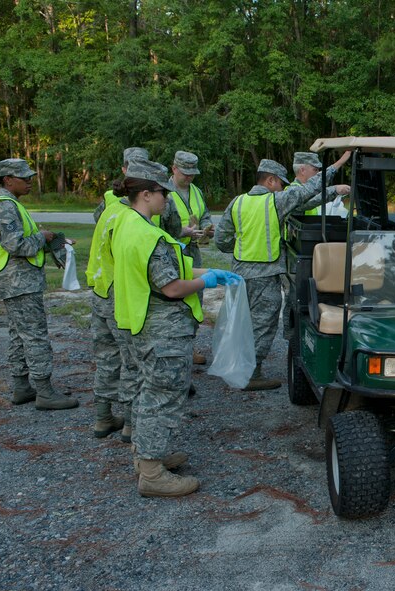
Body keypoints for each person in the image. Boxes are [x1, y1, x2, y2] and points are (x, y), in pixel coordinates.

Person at [111, 157, 240, 497]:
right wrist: (208, 280)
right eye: (162, 193)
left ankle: (147, 456)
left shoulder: (127, 223)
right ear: (146, 194)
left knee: (145, 393)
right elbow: (170, 287)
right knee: (161, 397)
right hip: (161, 330)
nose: (166, 200)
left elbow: (168, 273)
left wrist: (208, 273)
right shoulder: (147, 235)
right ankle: (152, 474)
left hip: (137, 323)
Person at [215, 153, 352, 390]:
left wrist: (240, 249)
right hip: (264, 275)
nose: (282, 188)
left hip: (239, 274)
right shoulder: (274, 202)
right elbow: (308, 189)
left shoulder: (236, 202)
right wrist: (338, 165)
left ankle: (238, 365)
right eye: (280, 183)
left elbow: (221, 240)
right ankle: (251, 374)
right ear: (270, 181)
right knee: (263, 324)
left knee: (241, 323)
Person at [0, 158, 77, 410]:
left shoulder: (10, 203)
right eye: (23, 177)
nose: (29, 181)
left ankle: (22, 387)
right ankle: (45, 392)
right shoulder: (5, 206)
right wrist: (42, 236)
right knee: (35, 335)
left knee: (19, 335)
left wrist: (54, 241)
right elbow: (16, 245)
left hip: (15, 281)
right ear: (7, 180)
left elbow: (21, 240)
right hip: (19, 282)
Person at [85, 149, 151, 442]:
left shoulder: (108, 206)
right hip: (118, 294)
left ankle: (103, 417)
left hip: (99, 290)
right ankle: (130, 424)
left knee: (106, 357)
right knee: (132, 360)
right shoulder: (129, 217)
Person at [162, 150, 214, 366]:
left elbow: (205, 215)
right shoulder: (163, 192)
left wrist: (208, 229)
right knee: (174, 301)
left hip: (193, 253)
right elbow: (158, 227)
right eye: (185, 173)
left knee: (194, 300)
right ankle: (172, 350)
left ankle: (189, 348)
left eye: (193, 173)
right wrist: (183, 231)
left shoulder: (196, 191)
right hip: (172, 254)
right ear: (174, 169)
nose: (189, 177)